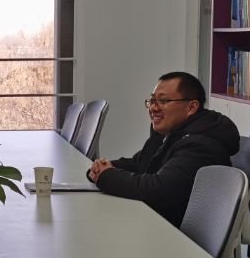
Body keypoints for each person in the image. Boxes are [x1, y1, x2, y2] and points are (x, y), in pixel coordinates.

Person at [86, 71, 240, 228]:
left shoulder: (201, 145)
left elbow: (158, 190)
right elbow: (139, 164)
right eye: (152, 101)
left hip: (175, 235)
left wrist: (107, 176)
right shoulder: (168, 133)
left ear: (191, 107)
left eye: (163, 101)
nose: (153, 108)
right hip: (154, 222)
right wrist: (100, 168)